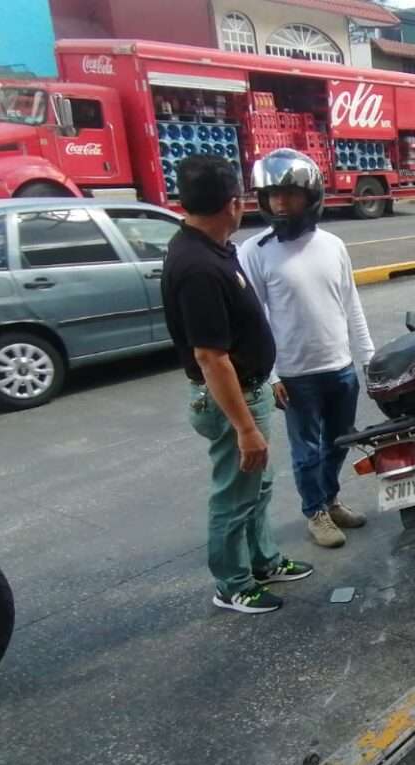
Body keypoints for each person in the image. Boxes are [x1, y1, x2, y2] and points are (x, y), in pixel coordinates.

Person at [163, 155, 313, 615]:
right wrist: (245, 427)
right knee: (233, 494)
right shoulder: (197, 267)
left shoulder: (215, 248)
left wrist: (266, 381)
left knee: (259, 486)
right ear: (233, 204)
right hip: (230, 400)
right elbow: (211, 357)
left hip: (251, 388)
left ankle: (263, 560)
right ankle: (232, 584)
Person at [239, 149, 375, 548]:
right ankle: (314, 512)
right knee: (307, 450)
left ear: (309, 195)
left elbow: (351, 303)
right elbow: (254, 321)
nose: (279, 203)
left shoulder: (333, 245)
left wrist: (368, 359)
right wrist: (271, 374)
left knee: (340, 440)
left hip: (340, 366)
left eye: (288, 194)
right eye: (271, 195)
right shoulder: (256, 251)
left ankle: (330, 500)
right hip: (294, 375)